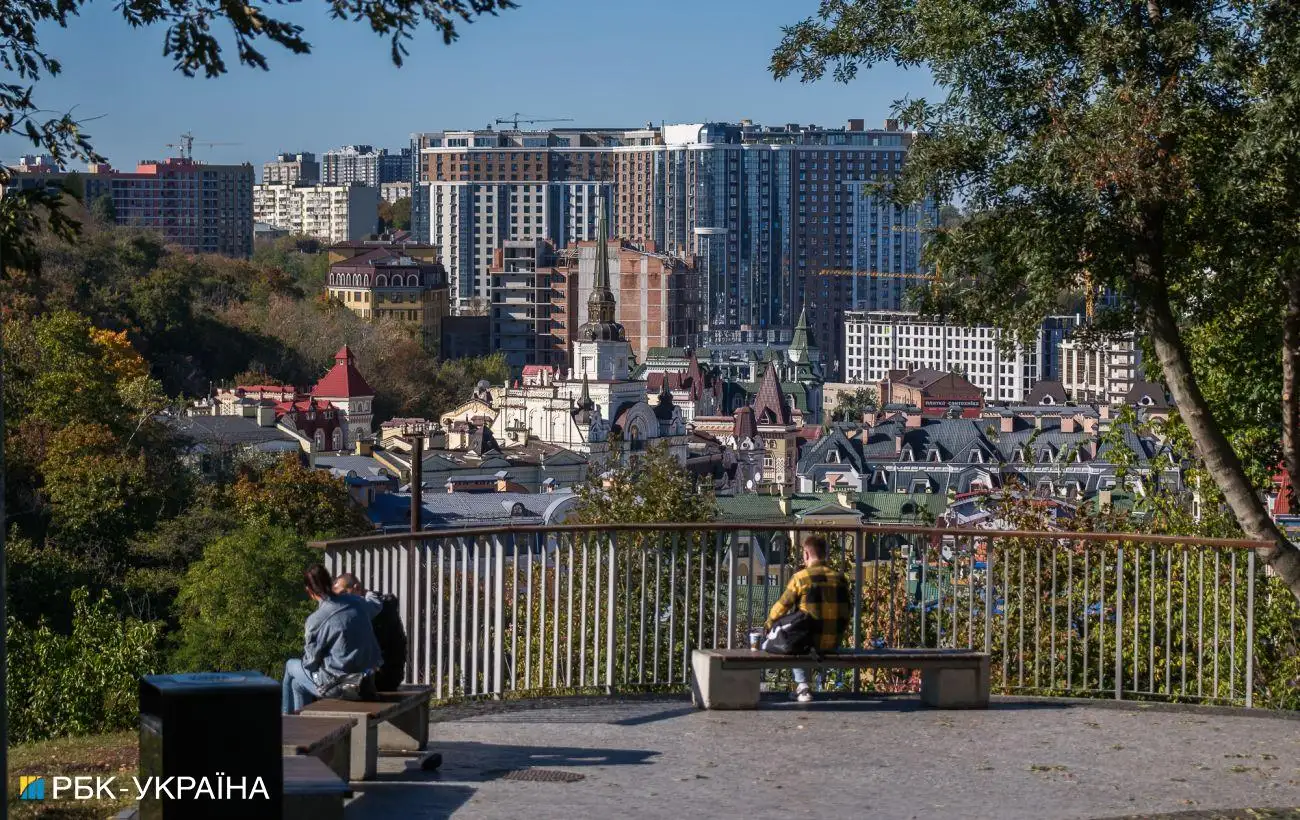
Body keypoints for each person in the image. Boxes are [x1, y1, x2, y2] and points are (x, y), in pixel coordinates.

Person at [282, 564, 382, 714]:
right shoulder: (357, 601)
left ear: (309, 591)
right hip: (367, 680)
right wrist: (365, 591)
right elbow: (376, 604)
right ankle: (299, 723)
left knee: (291, 666)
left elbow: (310, 664)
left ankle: (280, 725)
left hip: (339, 686)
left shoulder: (316, 620)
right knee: (297, 684)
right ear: (330, 582)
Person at [765, 535, 851, 703]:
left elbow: (781, 607)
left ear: (805, 554)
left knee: (791, 637)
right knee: (806, 631)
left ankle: (803, 686)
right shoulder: (841, 579)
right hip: (834, 642)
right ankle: (802, 687)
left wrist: (769, 624)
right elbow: (847, 611)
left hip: (808, 642)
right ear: (826, 554)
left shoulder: (801, 578)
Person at [333, 572, 408, 691]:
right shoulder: (377, 604)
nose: (341, 600)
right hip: (389, 675)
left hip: (378, 677)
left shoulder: (367, 611)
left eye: (343, 593)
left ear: (356, 588)